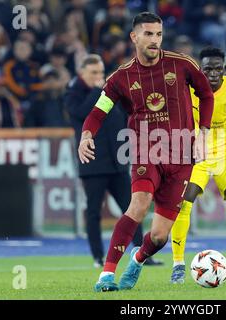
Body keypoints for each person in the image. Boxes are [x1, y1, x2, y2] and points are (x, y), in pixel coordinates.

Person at [79, 12, 214, 292]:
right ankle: (106, 275)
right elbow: (97, 112)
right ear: (134, 37)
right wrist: (86, 135)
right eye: (149, 34)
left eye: (159, 34)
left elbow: (206, 94)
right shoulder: (121, 78)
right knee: (138, 204)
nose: (155, 40)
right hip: (146, 153)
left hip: (181, 157)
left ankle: (138, 258)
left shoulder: (182, 64)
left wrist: (203, 132)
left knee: (160, 235)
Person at [170, 47, 226, 284]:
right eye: (207, 68)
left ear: (225, 69)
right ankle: (178, 266)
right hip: (195, 152)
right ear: (200, 69)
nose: (212, 73)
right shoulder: (185, 90)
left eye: (217, 68)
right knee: (182, 203)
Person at [65, 54, 162, 267]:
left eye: (100, 73)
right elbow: (80, 114)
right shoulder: (74, 93)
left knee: (133, 207)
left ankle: (142, 255)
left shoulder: (110, 93)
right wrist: (99, 91)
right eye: (93, 73)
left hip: (117, 163)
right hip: (93, 163)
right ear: (82, 74)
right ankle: (98, 258)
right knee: (93, 212)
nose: (99, 77)